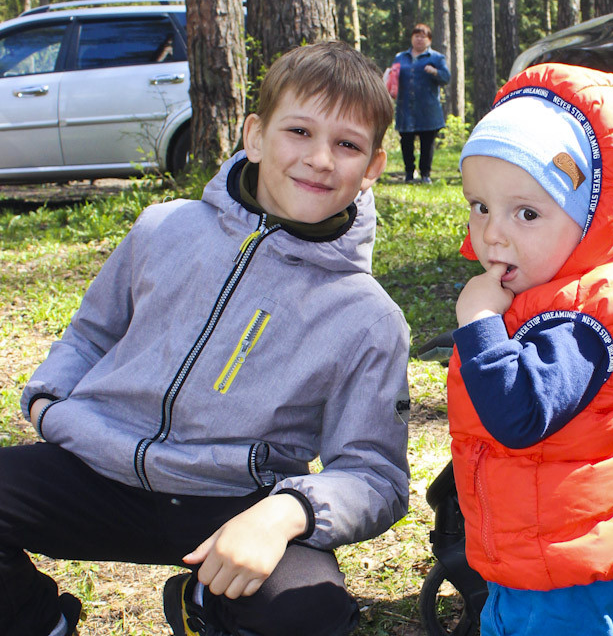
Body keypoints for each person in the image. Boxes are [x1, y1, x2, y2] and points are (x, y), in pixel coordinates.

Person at [2, 41, 411, 636]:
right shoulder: (162, 228)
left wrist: (282, 515)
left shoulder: (367, 317)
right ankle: (40, 624)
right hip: (97, 466)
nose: (320, 159)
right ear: (255, 135)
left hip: (234, 502)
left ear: (371, 167)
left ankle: (203, 604)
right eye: (299, 131)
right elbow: (91, 333)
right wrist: (49, 399)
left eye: (347, 144)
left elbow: (374, 472)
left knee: (307, 615)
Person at [448, 63, 613, 636]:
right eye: (481, 206)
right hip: (545, 555)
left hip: (577, 579)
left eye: (526, 212)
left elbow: (520, 416)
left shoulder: (586, 317)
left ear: (591, 220)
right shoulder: (557, 285)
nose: (493, 233)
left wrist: (480, 324)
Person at [391, 23, 450, 183]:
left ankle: (425, 174)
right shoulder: (401, 57)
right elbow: (393, 76)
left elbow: (446, 77)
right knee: (406, 142)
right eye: (416, 36)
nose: (419, 39)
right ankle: (409, 173)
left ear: (429, 40)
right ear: (411, 38)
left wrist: (435, 72)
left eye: (423, 36)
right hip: (406, 108)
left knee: (427, 143)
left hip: (428, 109)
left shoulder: (436, 58)